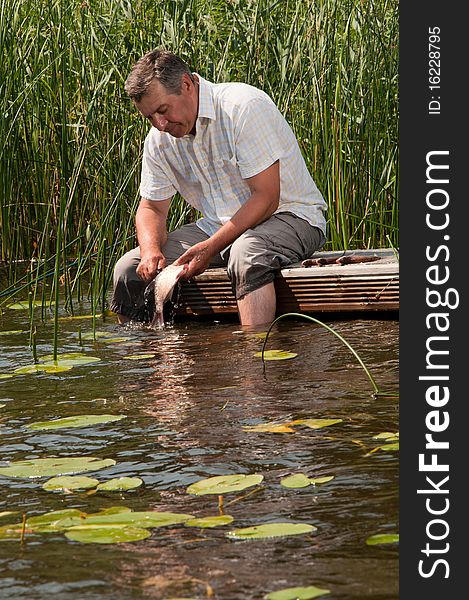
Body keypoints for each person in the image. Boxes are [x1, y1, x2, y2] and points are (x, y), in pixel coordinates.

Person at [111, 49, 327, 326]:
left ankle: (254, 358)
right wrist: (151, 250)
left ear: (187, 85)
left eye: (163, 110)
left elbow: (267, 197)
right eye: (149, 117)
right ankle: (145, 363)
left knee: (246, 254)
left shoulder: (242, 107)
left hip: (292, 217)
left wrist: (211, 247)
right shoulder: (158, 140)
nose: (159, 124)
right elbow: (151, 207)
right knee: (128, 269)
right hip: (218, 228)